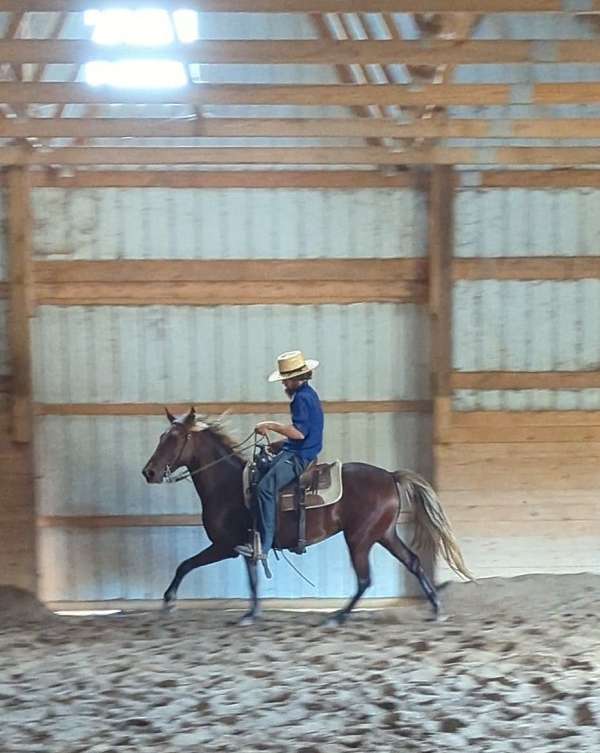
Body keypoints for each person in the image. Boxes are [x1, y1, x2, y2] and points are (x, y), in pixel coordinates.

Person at [235, 350, 324, 561]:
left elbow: (300, 432)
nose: (284, 385)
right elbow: (305, 433)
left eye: (286, 381)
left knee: (265, 489)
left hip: (300, 456)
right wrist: (280, 444)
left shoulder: (300, 399)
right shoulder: (309, 394)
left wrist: (270, 425)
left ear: (296, 378)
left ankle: (263, 547)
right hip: (301, 449)